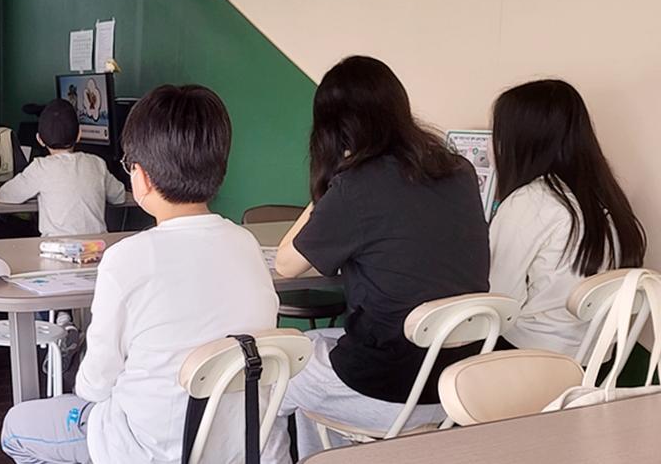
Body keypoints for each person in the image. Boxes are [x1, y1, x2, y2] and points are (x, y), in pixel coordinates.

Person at [1, 85, 280, 464]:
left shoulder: (127, 259)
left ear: (142, 177)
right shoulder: (248, 246)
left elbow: (94, 384)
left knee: (17, 428)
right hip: (235, 443)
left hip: (141, 448)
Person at [271, 56, 490, 462]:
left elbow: (286, 264)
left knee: (271, 378)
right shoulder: (457, 171)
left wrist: (329, 186)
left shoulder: (357, 185)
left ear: (332, 127)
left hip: (388, 387)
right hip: (458, 382)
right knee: (313, 345)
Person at [488, 79, 646, 357]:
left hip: (533, 357)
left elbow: (499, 301)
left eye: (496, 133)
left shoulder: (530, 201)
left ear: (521, 140)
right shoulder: (606, 197)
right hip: (596, 359)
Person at [0, 99, 127, 238]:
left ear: (39, 139)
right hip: (97, 248)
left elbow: (5, 195)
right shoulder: (97, 163)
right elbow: (119, 196)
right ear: (79, 135)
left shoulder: (41, 167)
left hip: (57, 250)